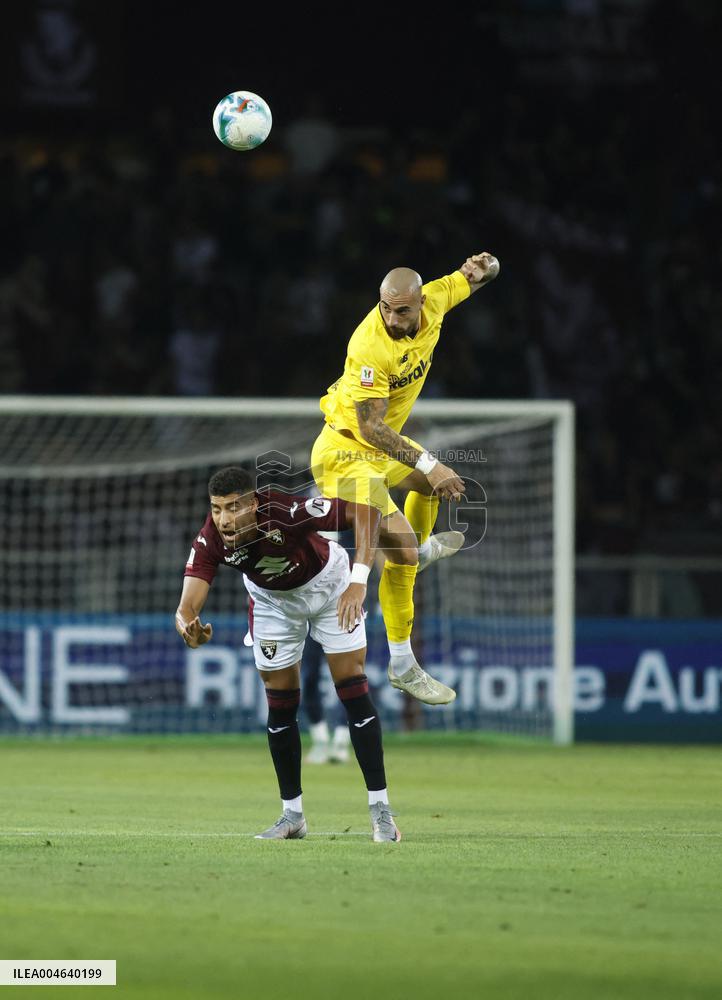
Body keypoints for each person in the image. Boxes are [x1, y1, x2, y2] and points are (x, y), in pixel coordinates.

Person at [311, 252, 500, 705]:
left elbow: (473, 279)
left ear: (419, 304)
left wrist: (486, 267)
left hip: (377, 453)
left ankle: (418, 550)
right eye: (385, 307)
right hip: (345, 453)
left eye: (402, 310)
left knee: (423, 505)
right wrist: (430, 462)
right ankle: (403, 665)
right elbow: (371, 428)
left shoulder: (434, 300)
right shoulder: (368, 346)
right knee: (413, 521)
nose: (392, 318)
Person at [174, 466, 401, 843]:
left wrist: (359, 582)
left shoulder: (284, 510)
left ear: (254, 503)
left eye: (233, 508)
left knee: (352, 688)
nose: (224, 520)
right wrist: (188, 629)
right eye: (216, 509)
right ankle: (292, 816)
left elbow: (366, 513)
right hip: (272, 603)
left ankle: (382, 813)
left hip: (331, 588)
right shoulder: (209, 539)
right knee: (280, 704)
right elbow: (186, 608)